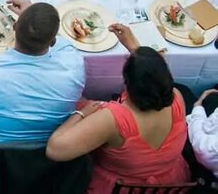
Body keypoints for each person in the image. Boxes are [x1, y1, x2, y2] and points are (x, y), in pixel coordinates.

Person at [46, 35, 187, 194]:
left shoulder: (113, 119)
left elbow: (54, 150)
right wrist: (135, 49)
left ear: (128, 83)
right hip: (168, 185)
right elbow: (151, 76)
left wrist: (80, 114)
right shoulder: (177, 97)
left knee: (77, 105)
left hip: (122, 187)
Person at [0, 0, 85, 159]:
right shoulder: (74, 67)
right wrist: (35, 21)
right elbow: (64, 45)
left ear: (14, 27)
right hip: (40, 163)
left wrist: (30, 19)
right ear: (52, 41)